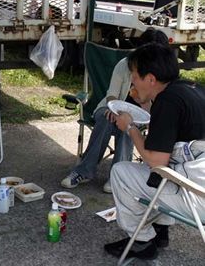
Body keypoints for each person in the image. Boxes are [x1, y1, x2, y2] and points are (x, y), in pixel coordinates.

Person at [104, 43, 205, 260]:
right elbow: (168, 131)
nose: (131, 81)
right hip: (198, 181)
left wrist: (130, 128)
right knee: (155, 174)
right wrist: (144, 102)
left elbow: (156, 161)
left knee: (122, 173)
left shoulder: (167, 101)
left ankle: (141, 241)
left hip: (197, 198)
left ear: (150, 79)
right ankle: (161, 231)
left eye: (134, 76)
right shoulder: (190, 89)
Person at [61, 28, 169, 193]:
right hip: (111, 107)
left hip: (140, 117)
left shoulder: (161, 75)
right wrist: (115, 109)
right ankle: (84, 172)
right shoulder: (125, 65)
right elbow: (112, 95)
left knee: (128, 127)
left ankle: (117, 177)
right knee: (106, 118)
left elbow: (158, 107)